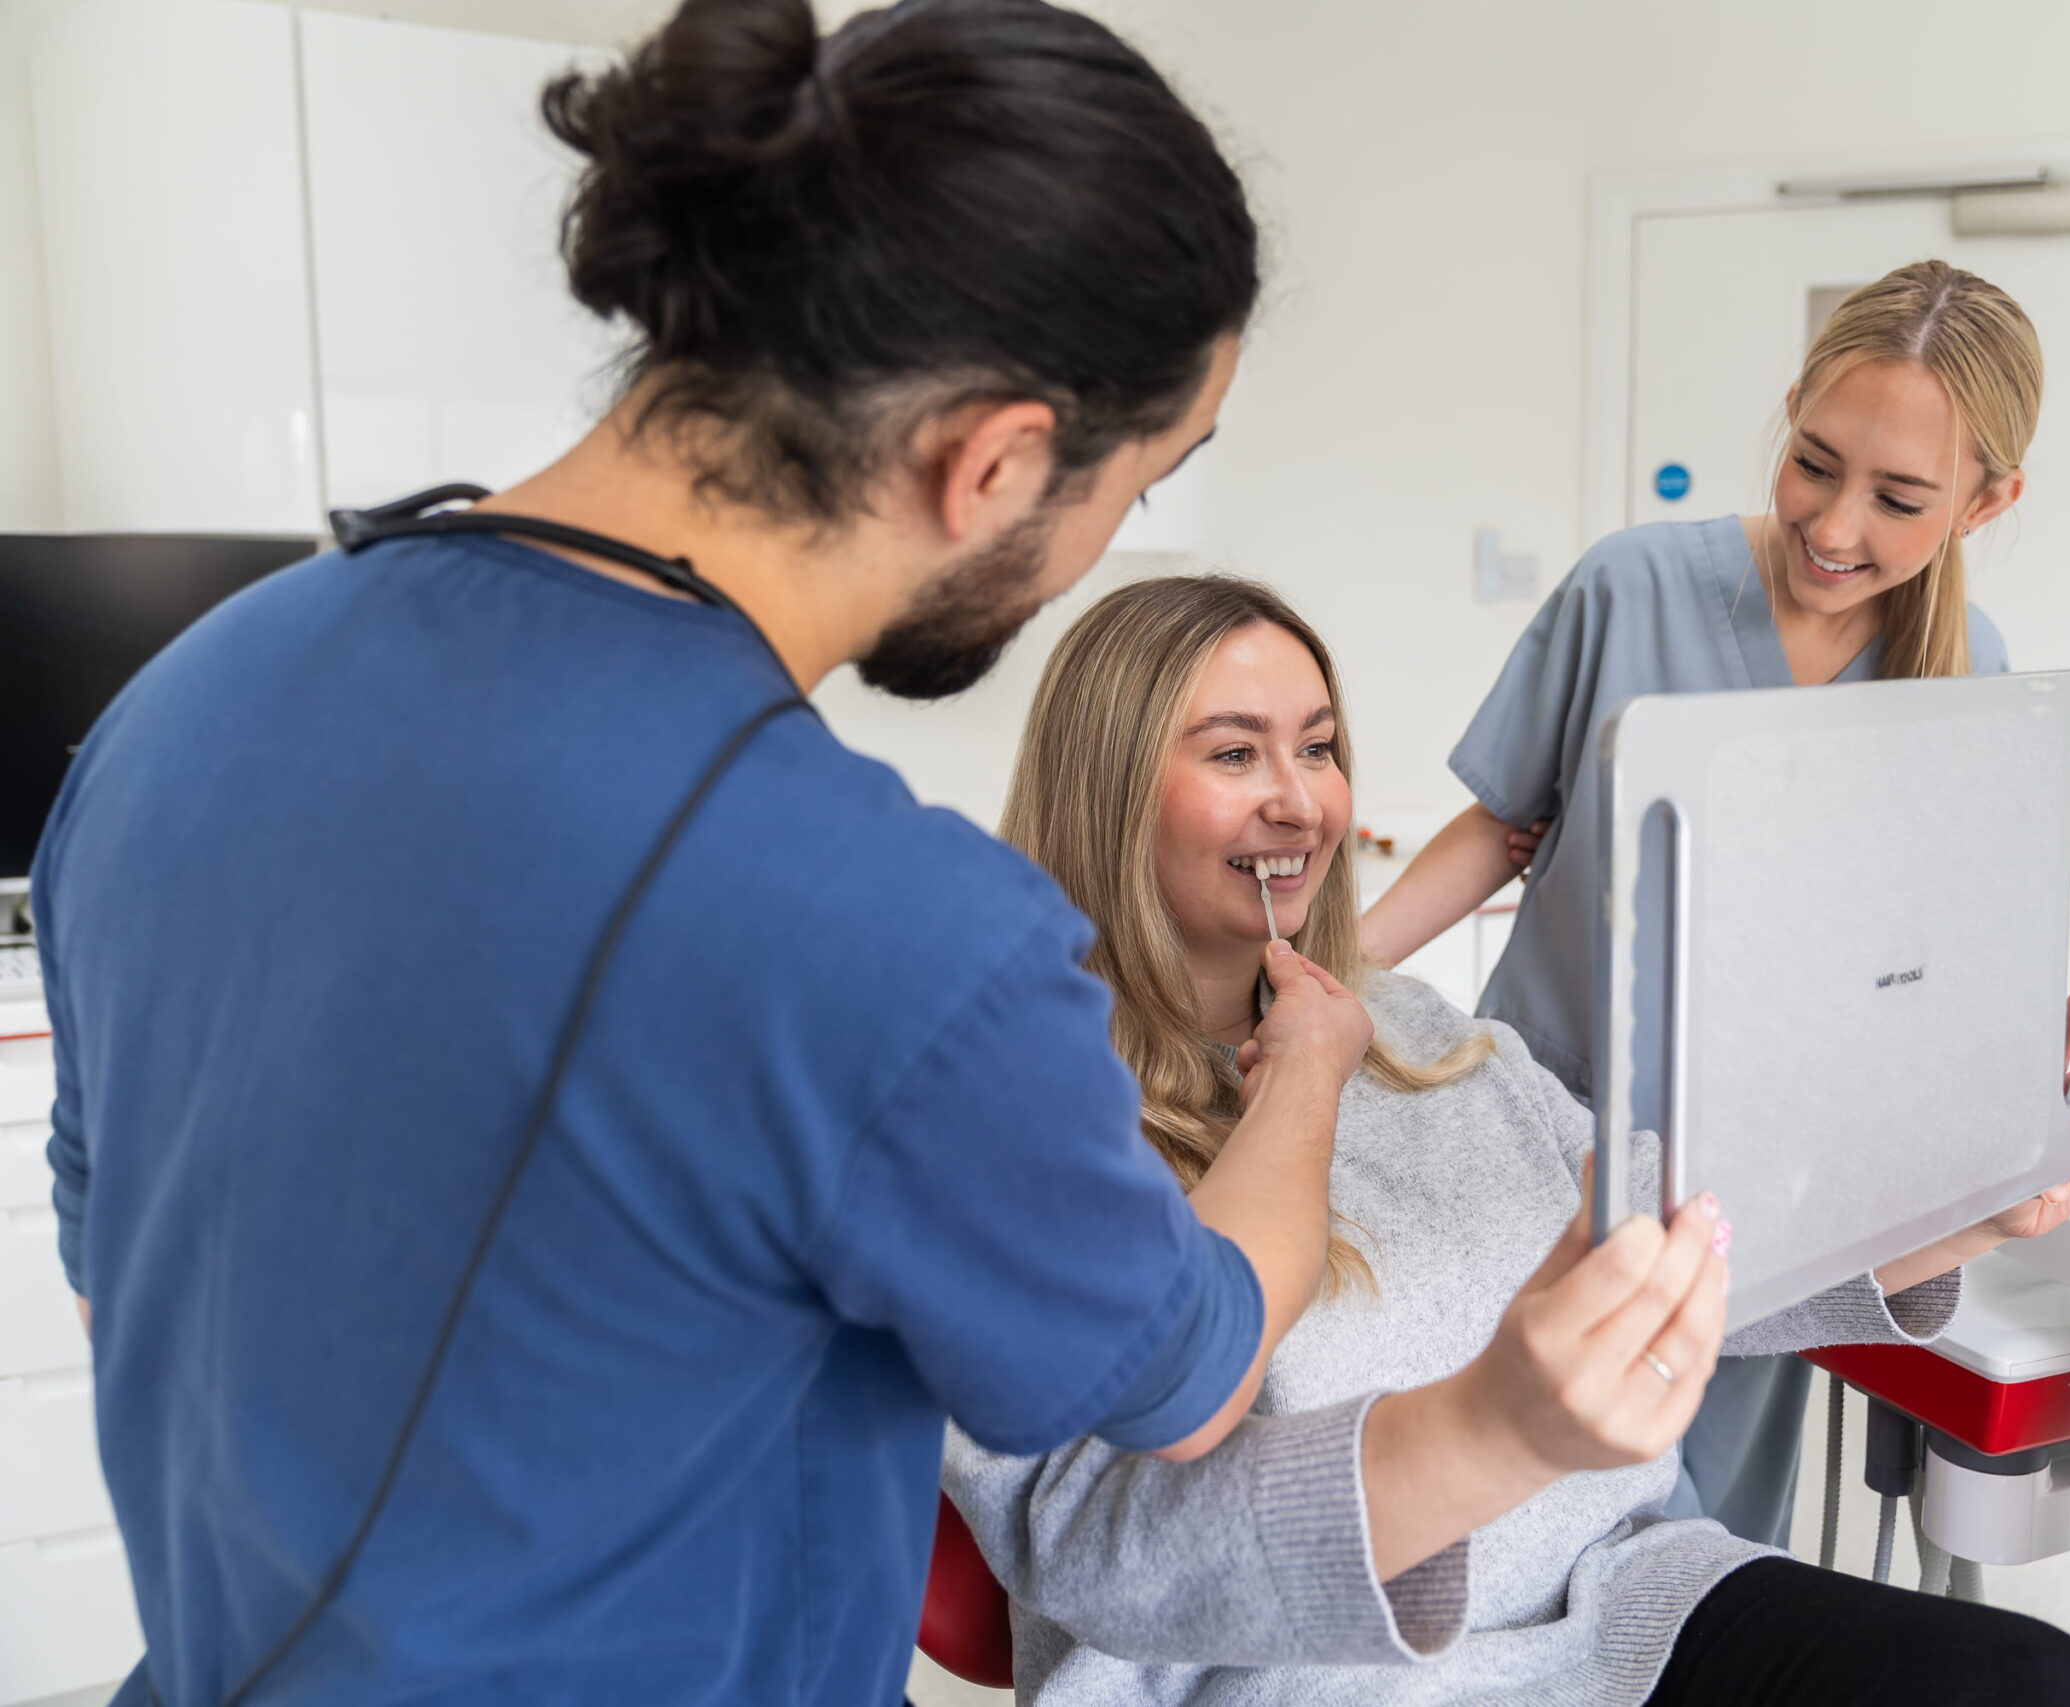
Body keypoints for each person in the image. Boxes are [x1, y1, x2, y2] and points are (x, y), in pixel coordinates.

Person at [34, 4, 1369, 1703]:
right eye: (1140, 484)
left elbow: (120, 1280)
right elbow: (1187, 1380)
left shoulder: (179, 702)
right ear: (999, 461)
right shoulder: (893, 926)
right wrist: (1308, 1069)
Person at [941, 574, 2070, 1706]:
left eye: (1316, 747)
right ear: (1107, 790)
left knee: (2037, 1684)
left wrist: (1975, 1192)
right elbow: (1096, 1543)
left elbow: (1664, 1229)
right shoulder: (1006, 1125)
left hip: (1624, 1606)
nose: (1299, 801)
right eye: (1232, 753)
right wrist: (1303, 1080)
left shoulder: (1417, 1030)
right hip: (1310, 1683)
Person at [1359, 260, 2070, 1546]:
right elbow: (1506, 826)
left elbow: (1955, 959)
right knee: (1495, 1536)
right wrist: (1320, 980)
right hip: (1534, 1148)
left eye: (1899, 499)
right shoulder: (1629, 586)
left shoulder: (1973, 676)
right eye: (1813, 464)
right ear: (1788, 414)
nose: (1833, 526)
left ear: (1987, 501)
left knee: (1698, 1563)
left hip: (1761, 1206)